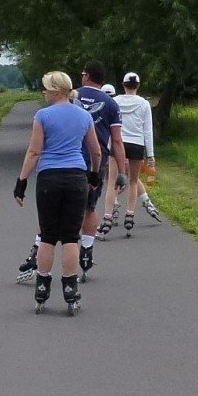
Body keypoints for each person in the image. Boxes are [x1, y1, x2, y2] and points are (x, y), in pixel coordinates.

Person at [13, 71, 99, 313]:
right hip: (76, 178)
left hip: (49, 178)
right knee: (72, 236)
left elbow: (34, 152)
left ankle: (42, 286)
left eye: (46, 89)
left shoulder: (42, 116)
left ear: (56, 91)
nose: (44, 93)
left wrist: (22, 181)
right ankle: (70, 288)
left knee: (48, 235)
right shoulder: (84, 116)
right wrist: (93, 174)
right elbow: (96, 152)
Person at [74, 62, 125, 266]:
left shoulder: (71, 96)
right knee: (89, 207)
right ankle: (86, 249)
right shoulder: (111, 104)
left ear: (87, 76)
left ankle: (44, 246)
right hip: (97, 160)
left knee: (65, 205)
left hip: (71, 157)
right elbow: (118, 140)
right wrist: (122, 172)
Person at [113, 71, 158, 230]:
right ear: (138, 86)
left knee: (115, 178)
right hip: (137, 144)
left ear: (123, 85)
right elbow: (148, 131)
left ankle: (111, 209)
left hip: (119, 143)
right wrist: (150, 155)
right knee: (133, 180)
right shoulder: (144, 104)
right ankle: (130, 214)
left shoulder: (115, 101)